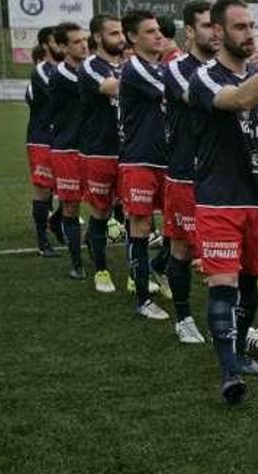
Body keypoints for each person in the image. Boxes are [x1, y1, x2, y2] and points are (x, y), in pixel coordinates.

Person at [188, 0, 258, 404]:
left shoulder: (257, 76)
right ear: (217, 32)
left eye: (250, 25)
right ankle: (228, 372)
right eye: (238, 26)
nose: (247, 33)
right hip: (219, 200)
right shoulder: (203, 77)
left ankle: (237, 350)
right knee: (223, 285)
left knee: (251, 286)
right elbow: (238, 101)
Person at [162, 0, 219, 344]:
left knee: (228, 254)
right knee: (182, 250)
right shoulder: (177, 68)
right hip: (185, 174)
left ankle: (230, 324)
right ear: (189, 31)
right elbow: (205, 98)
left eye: (218, 25)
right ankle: (183, 317)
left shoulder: (225, 66)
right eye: (207, 25)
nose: (215, 31)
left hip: (220, 175)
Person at [118, 10, 171, 320]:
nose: (158, 35)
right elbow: (177, 92)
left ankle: (159, 267)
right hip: (140, 159)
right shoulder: (136, 68)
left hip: (166, 160)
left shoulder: (159, 67)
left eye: (159, 30)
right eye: (150, 31)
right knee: (140, 227)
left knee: (182, 228)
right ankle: (141, 298)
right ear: (133, 38)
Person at [80, 14, 125, 294]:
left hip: (129, 151)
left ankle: (138, 275)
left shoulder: (128, 65)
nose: (120, 38)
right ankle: (101, 270)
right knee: (101, 211)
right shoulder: (91, 66)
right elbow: (110, 87)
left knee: (135, 214)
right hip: (99, 152)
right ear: (98, 37)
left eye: (122, 32)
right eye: (113, 33)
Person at [47, 23, 91, 281]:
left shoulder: (87, 69)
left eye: (85, 40)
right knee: (73, 206)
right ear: (62, 47)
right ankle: (77, 263)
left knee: (103, 204)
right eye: (76, 42)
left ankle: (55, 219)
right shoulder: (63, 74)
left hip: (90, 149)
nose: (84, 45)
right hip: (67, 149)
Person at [27, 27, 61, 257]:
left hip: (64, 139)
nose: (62, 45)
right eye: (56, 41)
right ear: (46, 45)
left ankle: (56, 222)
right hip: (42, 140)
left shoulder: (69, 69)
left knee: (72, 190)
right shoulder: (42, 70)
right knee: (43, 191)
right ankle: (42, 242)